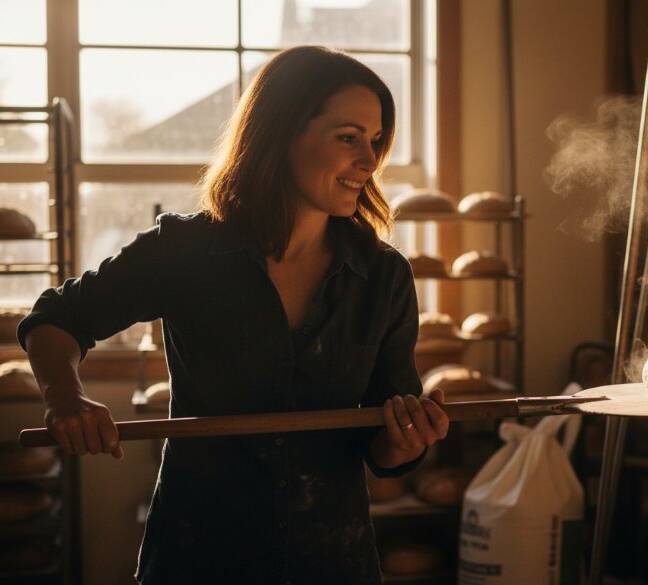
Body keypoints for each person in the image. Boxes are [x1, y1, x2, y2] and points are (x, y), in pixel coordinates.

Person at [17, 45, 450, 584]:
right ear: (280, 131)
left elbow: (383, 441)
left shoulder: (384, 277)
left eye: (375, 140)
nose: (369, 160)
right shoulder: (187, 251)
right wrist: (65, 398)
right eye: (348, 137)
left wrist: (405, 437)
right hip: (199, 554)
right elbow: (56, 319)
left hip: (331, 560)